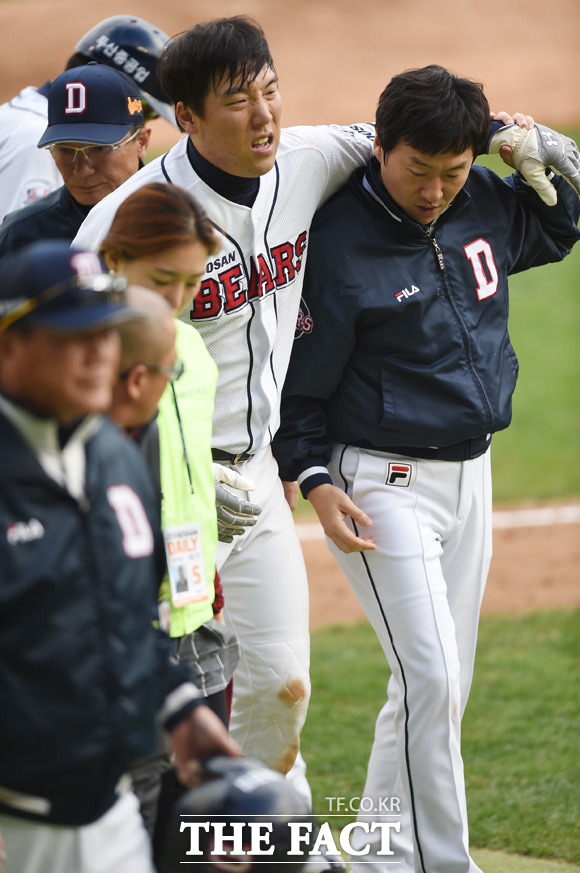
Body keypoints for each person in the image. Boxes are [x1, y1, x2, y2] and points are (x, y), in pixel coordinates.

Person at [71, 18, 580, 858]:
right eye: (238, 101)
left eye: (271, 89)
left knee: (284, 684)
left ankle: (284, 843)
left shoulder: (312, 156)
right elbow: (78, 373)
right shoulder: (131, 224)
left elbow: (413, 138)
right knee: (161, 697)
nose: (264, 115)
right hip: (169, 492)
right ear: (187, 118)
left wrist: (504, 133)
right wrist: (140, 475)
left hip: (260, 485)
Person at [272, 65, 580, 873]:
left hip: (470, 476)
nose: (437, 189)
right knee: (432, 680)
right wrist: (314, 477)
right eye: (419, 170)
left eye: (454, 170)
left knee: (436, 687)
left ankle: (379, 855)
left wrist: (539, 176)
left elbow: (549, 234)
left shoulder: (478, 196)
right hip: (379, 483)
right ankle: (448, 863)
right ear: (380, 148)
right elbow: (298, 387)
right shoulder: (339, 243)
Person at [0, 239, 240, 873]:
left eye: (106, 335)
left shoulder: (113, 457)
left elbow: (122, 618)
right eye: (70, 337)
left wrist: (180, 709)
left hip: (108, 805)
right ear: (8, 345)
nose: (97, 355)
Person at [103, 185, 253, 868]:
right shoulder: (87, 356)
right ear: (115, 258)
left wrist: (204, 530)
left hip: (197, 616)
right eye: (161, 279)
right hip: (123, 627)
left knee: (196, 828)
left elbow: (181, 462)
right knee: (123, 831)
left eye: (192, 282)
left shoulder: (190, 347)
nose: (177, 297)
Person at [0, 14, 175, 224]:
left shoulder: (29, 115)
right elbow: (18, 248)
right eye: (143, 108)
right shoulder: (35, 139)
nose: (142, 121)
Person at [0, 63, 151, 258]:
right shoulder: (21, 235)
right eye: (65, 150)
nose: (82, 169)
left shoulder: (185, 216)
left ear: (141, 142)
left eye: (99, 148)